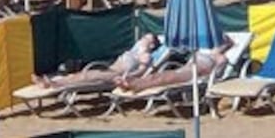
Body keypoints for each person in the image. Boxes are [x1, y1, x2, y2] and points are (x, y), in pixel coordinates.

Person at [32, 33, 162, 89]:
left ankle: (54, 84)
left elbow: (140, 73)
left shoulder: (145, 56)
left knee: (87, 76)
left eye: (147, 39)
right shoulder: (134, 51)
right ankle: (50, 82)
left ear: (151, 46)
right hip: (110, 69)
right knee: (81, 74)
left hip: (116, 75)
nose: (142, 40)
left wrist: (126, 77)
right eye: (143, 37)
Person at [116, 38, 232, 93]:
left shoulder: (221, 58)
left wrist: (204, 78)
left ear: (225, 46)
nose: (215, 44)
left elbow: (216, 74)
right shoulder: (201, 52)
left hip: (193, 74)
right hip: (186, 69)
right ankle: (135, 83)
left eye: (220, 42)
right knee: (160, 75)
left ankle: (138, 85)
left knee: (164, 78)